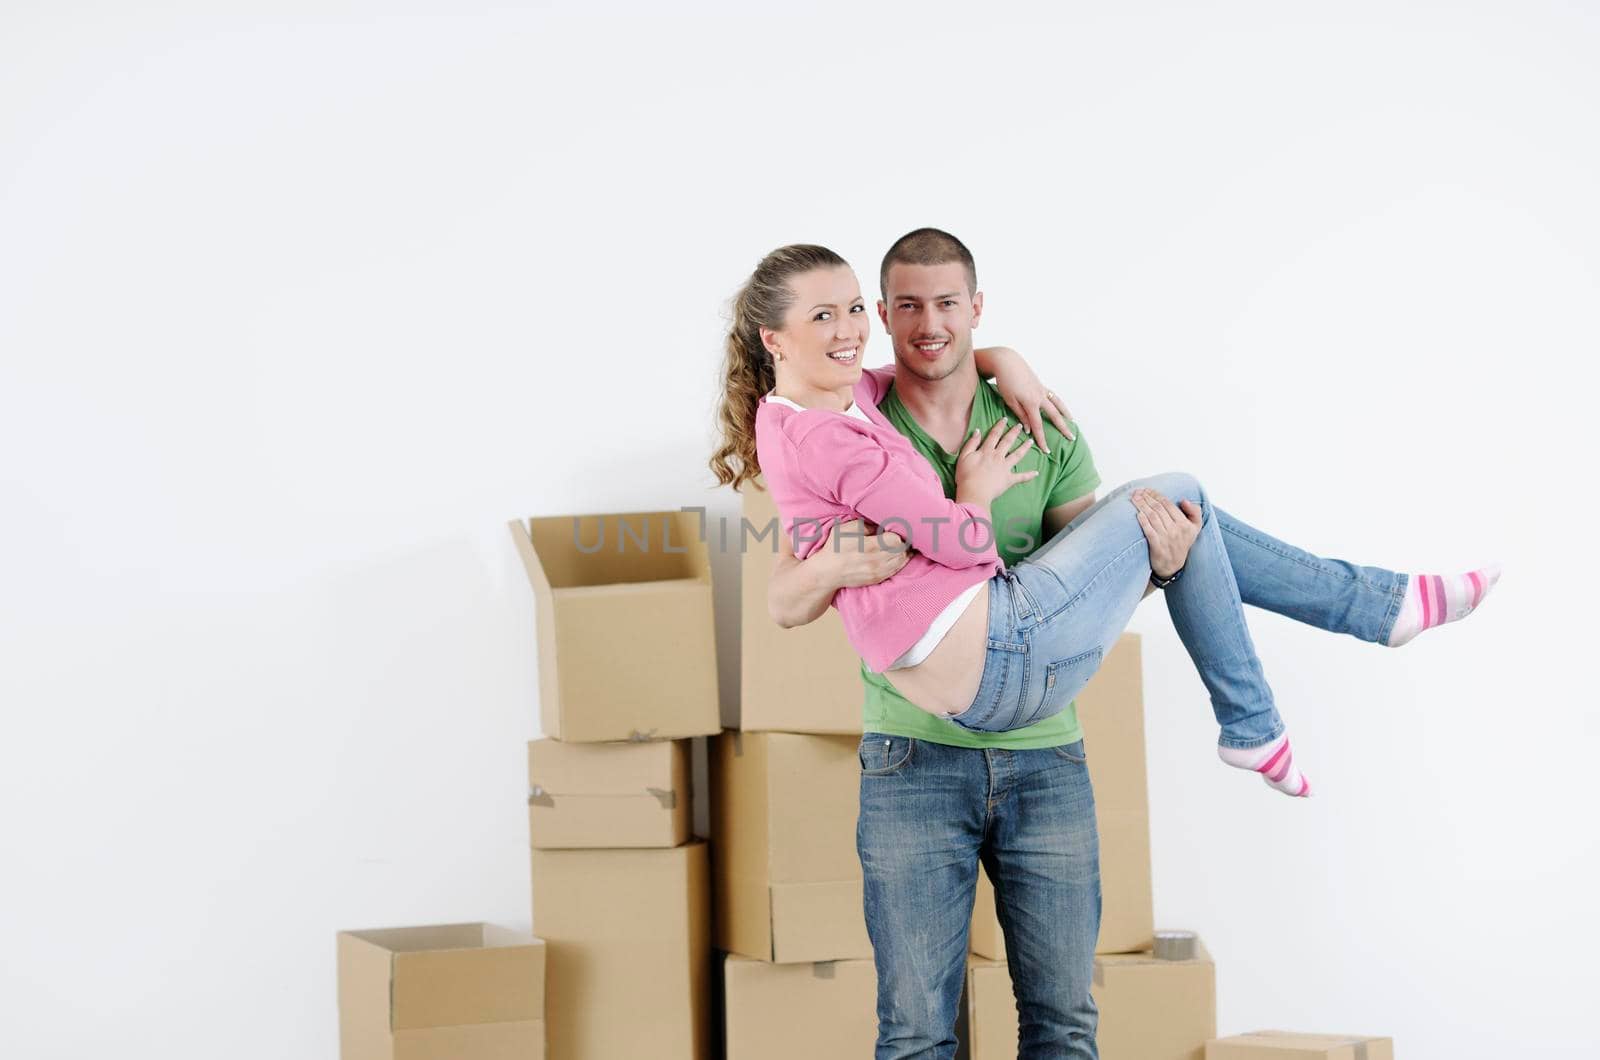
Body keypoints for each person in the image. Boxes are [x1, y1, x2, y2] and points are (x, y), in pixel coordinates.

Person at [708, 231, 1499, 1058]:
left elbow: (1091, 578)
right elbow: (790, 593)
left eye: (945, 305)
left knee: (1065, 1023)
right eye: (903, 306)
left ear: (977, 310)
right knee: (913, 1031)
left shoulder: (1026, 421)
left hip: (1040, 740)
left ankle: (1319, 665)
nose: (921, 324)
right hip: (918, 750)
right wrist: (914, 523)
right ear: (874, 318)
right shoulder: (854, 408)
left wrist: (1160, 566)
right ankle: (1326, 656)